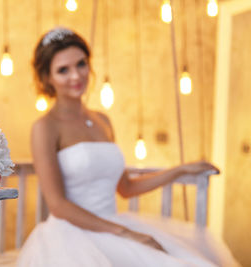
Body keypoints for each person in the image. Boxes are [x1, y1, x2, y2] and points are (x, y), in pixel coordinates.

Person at [17, 27, 239, 267]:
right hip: (73, 234)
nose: (76, 76)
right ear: (47, 78)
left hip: (114, 225)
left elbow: (126, 187)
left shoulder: (103, 120)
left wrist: (179, 170)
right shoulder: (45, 127)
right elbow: (58, 206)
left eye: (81, 64)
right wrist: (123, 233)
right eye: (63, 70)